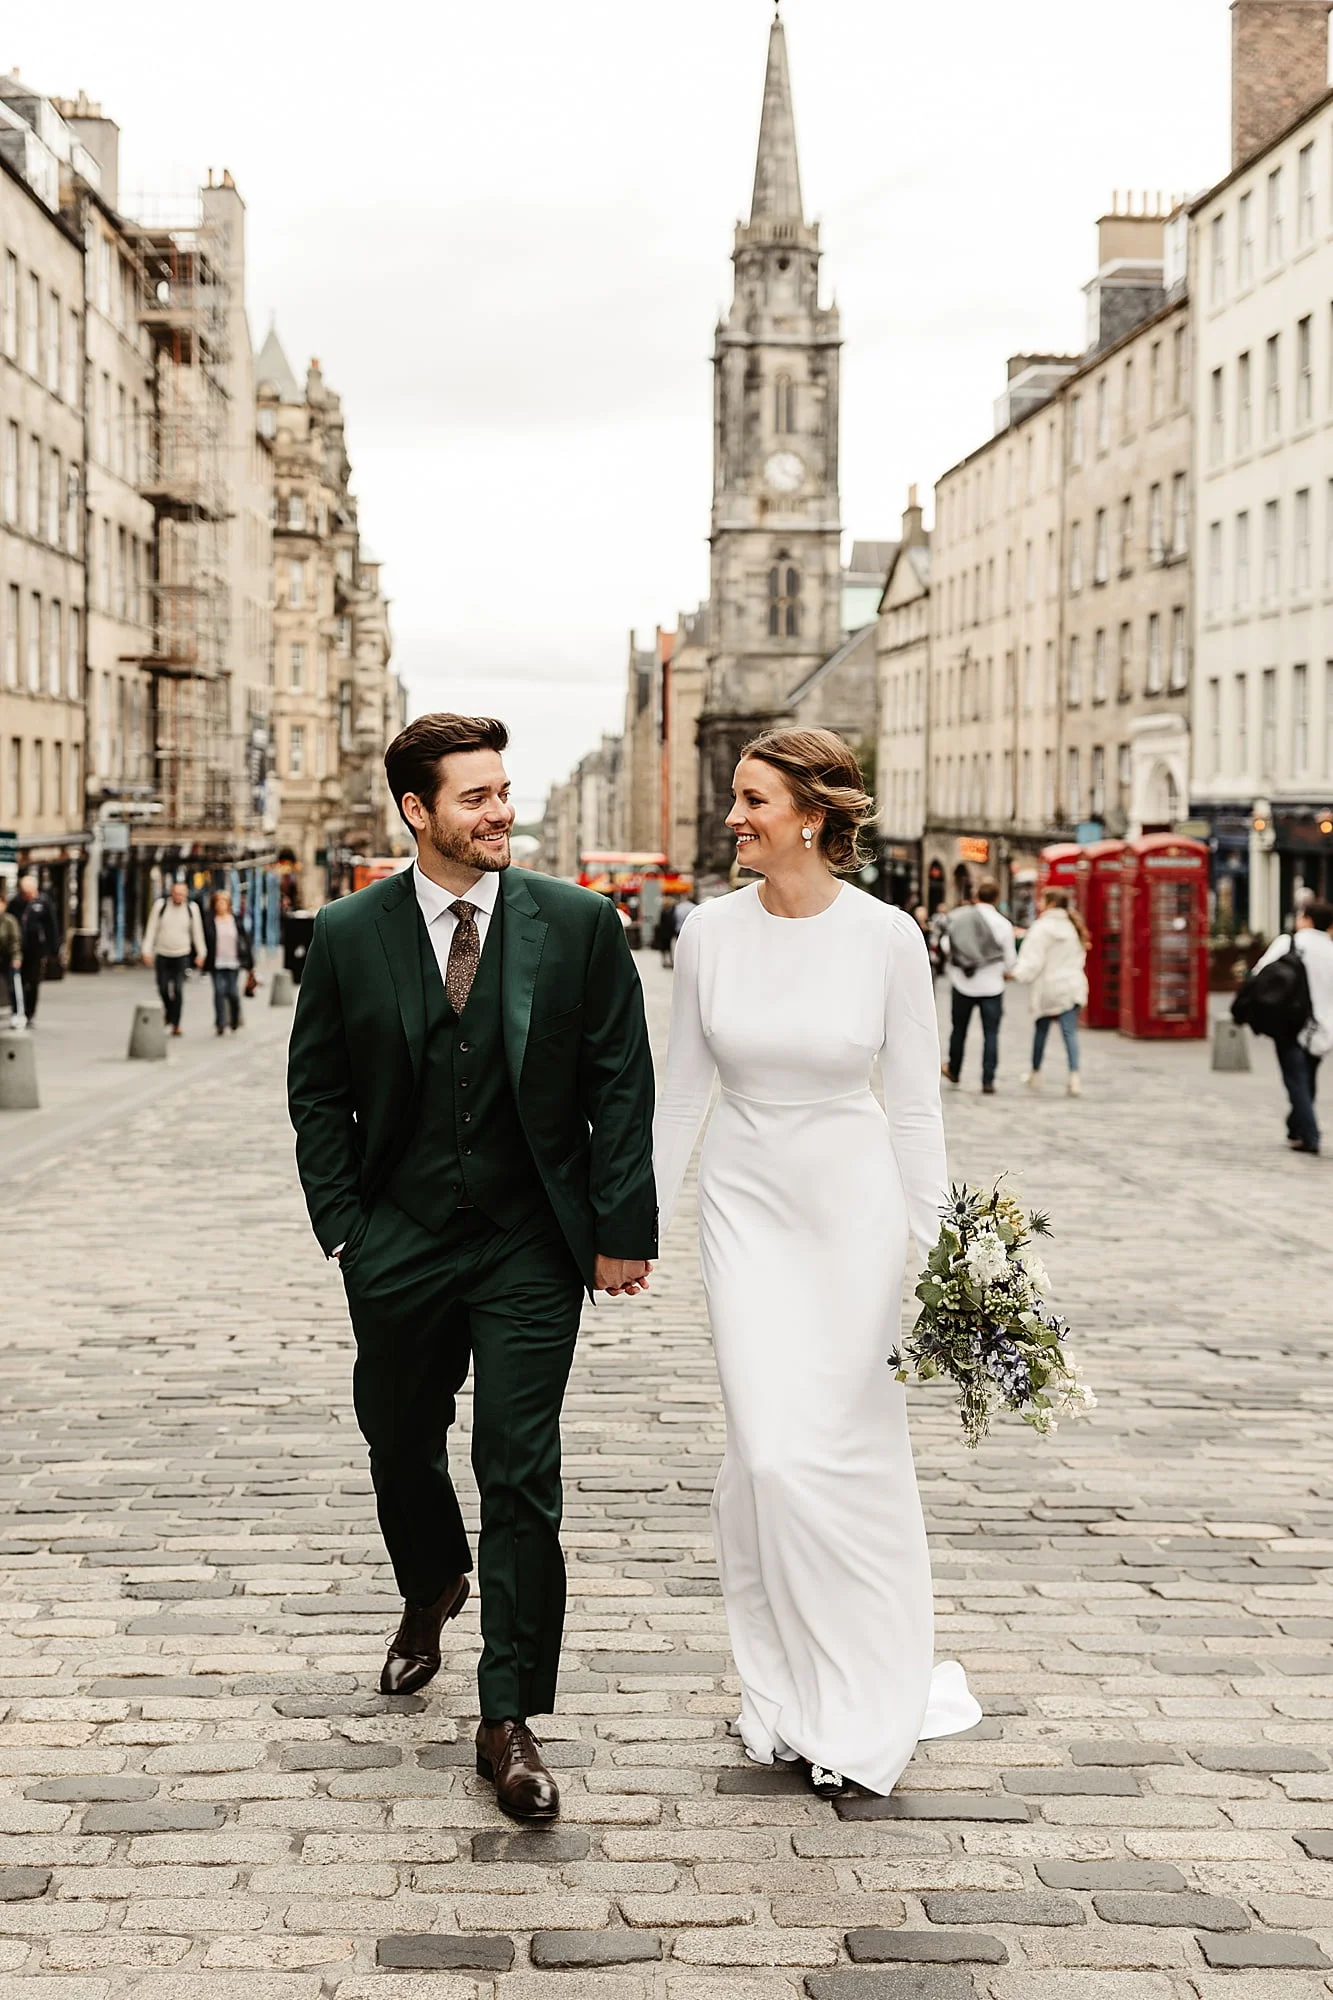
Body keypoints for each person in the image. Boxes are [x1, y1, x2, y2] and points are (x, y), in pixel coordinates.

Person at [288, 713, 657, 1825]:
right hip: (397, 1235)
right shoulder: (350, 930)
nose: (501, 811)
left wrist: (618, 1226)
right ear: (417, 810)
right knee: (398, 1438)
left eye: (505, 790)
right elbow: (316, 1090)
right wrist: (347, 1225)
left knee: (519, 1465)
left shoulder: (578, 923)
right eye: (476, 797)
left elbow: (620, 1083)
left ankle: (508, 1717)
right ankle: (431, 1578)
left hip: (528, 1240)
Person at [653, 726, 980, 1801]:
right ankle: (788, 1681)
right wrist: (636, 1217)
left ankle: (861, 1690)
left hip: (854, 1217)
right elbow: (683, 1093)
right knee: (768, 1456)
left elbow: (915, 1107)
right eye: (735, 798)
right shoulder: (707, 930)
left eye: (752, 799)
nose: (733, 815)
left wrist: (937, 1252)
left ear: (810, 813)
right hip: (745, 1209)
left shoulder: (888, 937)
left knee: (848, 1456)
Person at [1251, 898, 1333, 1155]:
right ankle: (1295, 1128)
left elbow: (1259, 973)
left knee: (1296, 1081)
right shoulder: (1331, 950)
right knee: (1306, 1078)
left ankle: (1310, 1135)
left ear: (1307, 919)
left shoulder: (1289, 943)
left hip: (1289, 1022)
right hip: (1322, 1028)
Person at [1009, 887, 1090, 1096]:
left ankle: (1035, 1073)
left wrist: (1015, 974)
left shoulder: (1042, 928)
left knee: (1041, 1031)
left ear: (1051, 904)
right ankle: (1074, 1077)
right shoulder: (1074, 927)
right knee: (1069, 1032)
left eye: (1042, 900)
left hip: (1049, 987)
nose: (1039, 904)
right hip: (1072, 985)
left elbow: (1032, 962)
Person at [940, 879, 1016, 1095]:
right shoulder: (1003, 924)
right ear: (996, 899)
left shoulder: (962, 917)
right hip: (993, 986)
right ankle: (988, 1080)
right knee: (991, 1034)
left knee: (959, 1030)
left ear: (977, 897)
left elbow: (947, 945)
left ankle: (954, 1070)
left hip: (963, 983)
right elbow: (1010, 960)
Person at [142, 882, 206, 1035]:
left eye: (182, 894)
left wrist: (201, 953)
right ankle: (170, 1013)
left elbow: (197, 932)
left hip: (182, 954)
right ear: (171, 893)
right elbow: (151, 929)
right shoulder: (161, 906)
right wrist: (146, 950)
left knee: (178, 989)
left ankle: (176, 1023)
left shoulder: (192, 908)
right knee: (163, 987)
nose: (179, 897)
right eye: (177, 894)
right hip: (162, 953)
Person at [200, 890, 254, 1036]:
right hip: (216, 962)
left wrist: (250, 963)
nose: (221, 905)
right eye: (218, 902)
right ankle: (220, 1023)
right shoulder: (210, 920)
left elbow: (245, 941)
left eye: (224, 902)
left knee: (233, 993)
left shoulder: (235, 919)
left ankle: (235, 1019)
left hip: (233, 962)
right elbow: (204, 940)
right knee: (219, 992)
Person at [9, 874, 60, 1026]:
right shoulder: (15, 903)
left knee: (33, 982)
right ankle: (18, 1011)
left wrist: (53, 950)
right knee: (18, 982)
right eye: (25, 894)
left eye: (29, 893)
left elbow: (52, 926)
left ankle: (30, 1012)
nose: (27, 896)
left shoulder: (44, 902)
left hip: (37, 949)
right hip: (19, 949)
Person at [0, 898, 22, 1019]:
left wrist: (16, 958)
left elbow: (15, 941)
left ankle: (17, 1013)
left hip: (6, 956)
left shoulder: (9, 921)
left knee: (12, 986)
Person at [652, 899, 677, 969]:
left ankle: (665, 961)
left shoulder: (663, 911)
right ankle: (669, 961)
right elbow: (672, 922)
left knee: (664, 948)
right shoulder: (671, 911)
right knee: (669, 948)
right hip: (669, 933)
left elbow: (660, 923)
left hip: (664, 933)